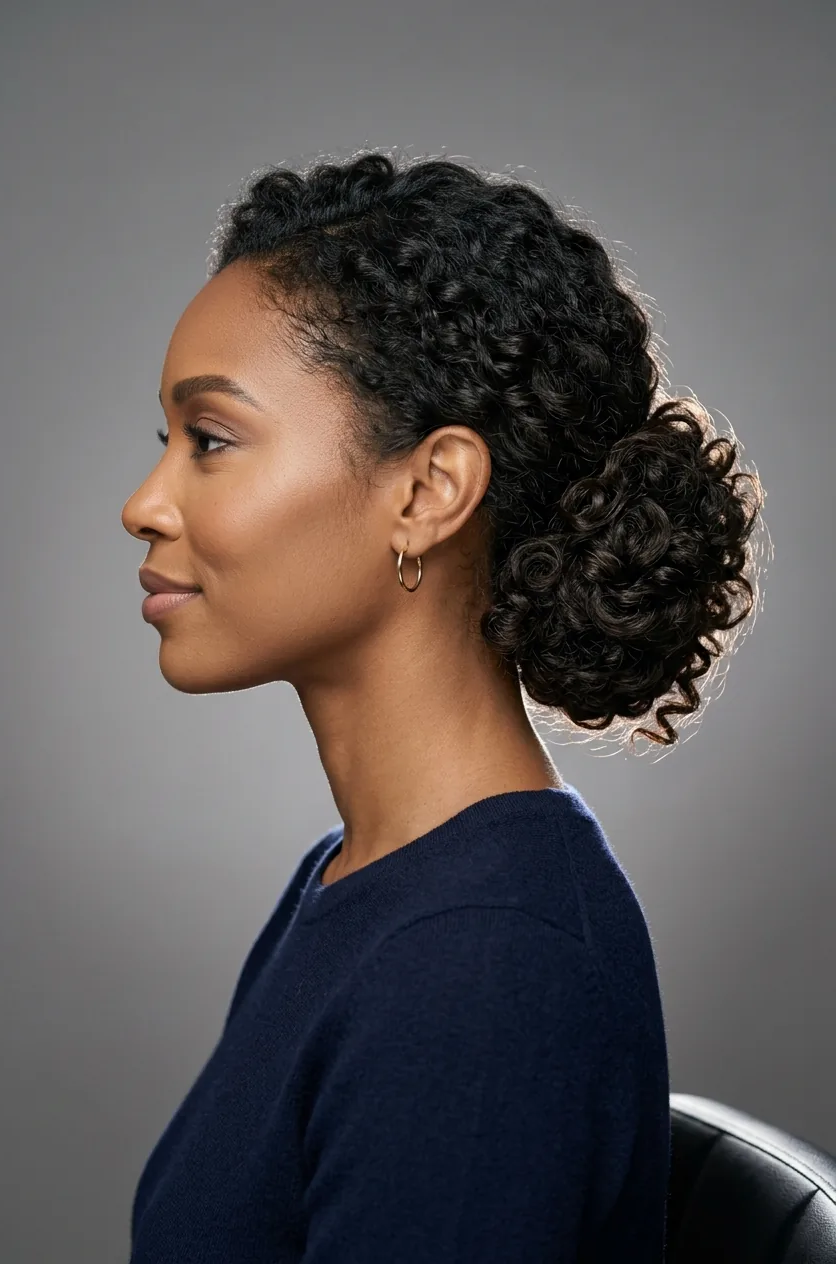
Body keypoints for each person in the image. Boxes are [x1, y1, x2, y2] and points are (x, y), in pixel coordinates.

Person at [120, 150, 763, 1263]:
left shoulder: (481, 966)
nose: (145, 504)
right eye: (165, 443)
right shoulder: (359, 881)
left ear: (427, 492)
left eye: (210, 441)